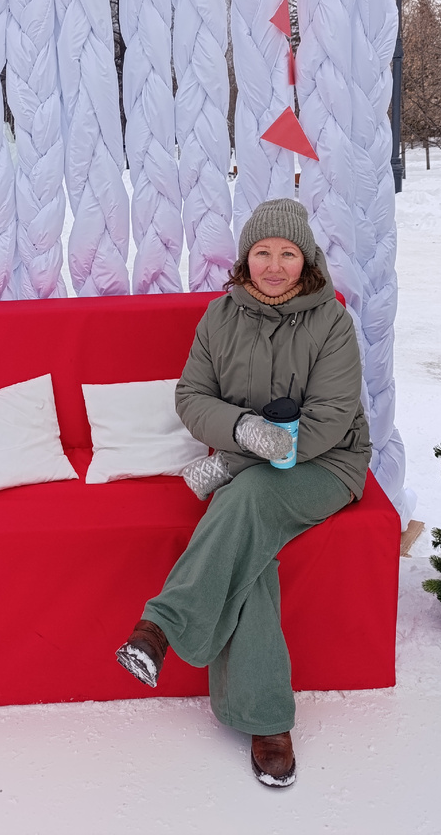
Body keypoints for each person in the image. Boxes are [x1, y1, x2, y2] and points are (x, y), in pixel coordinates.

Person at [115, 198, 371, 787]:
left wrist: (233, 458)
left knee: (246, 497)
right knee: (250, 547)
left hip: (326, 464)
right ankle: (266, 721)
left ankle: (159, 628)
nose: (275, 266)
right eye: (262, 253)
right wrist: (242, 430)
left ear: (307, 260)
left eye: (288, 254)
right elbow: (191, 397)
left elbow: (329, 420)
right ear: (245, 258)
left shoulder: (332, 322)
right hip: (247, 466)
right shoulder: (219, 317)